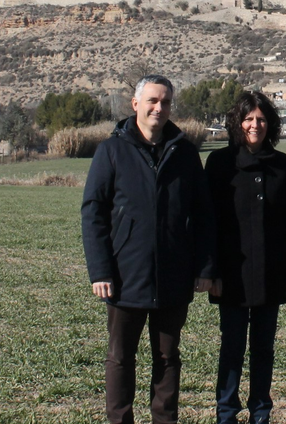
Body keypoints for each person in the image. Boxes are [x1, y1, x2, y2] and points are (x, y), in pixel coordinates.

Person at [81, 74, 216, 424]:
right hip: (125, 276)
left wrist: (204, 267)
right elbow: (93, 212)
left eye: (166, 102)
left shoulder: (185, 152)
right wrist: (100, 270)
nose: (159, 107)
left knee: (168, 357)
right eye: (153, 100)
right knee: (121, 358)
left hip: (175, 275)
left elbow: (203, 214)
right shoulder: (111, 150)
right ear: (135, 104)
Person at [204, 91, 286, 424]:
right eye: (248, 118)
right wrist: (211, 270)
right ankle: (227, 412)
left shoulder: (282, 165)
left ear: (270, 124)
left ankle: (261, 411)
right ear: (237, 122)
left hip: (272, 274)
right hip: (231, 275)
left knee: (264, 349)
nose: (254, 125)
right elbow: (209, 223)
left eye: (261, 119)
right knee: (231, 348)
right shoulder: (219, 164)